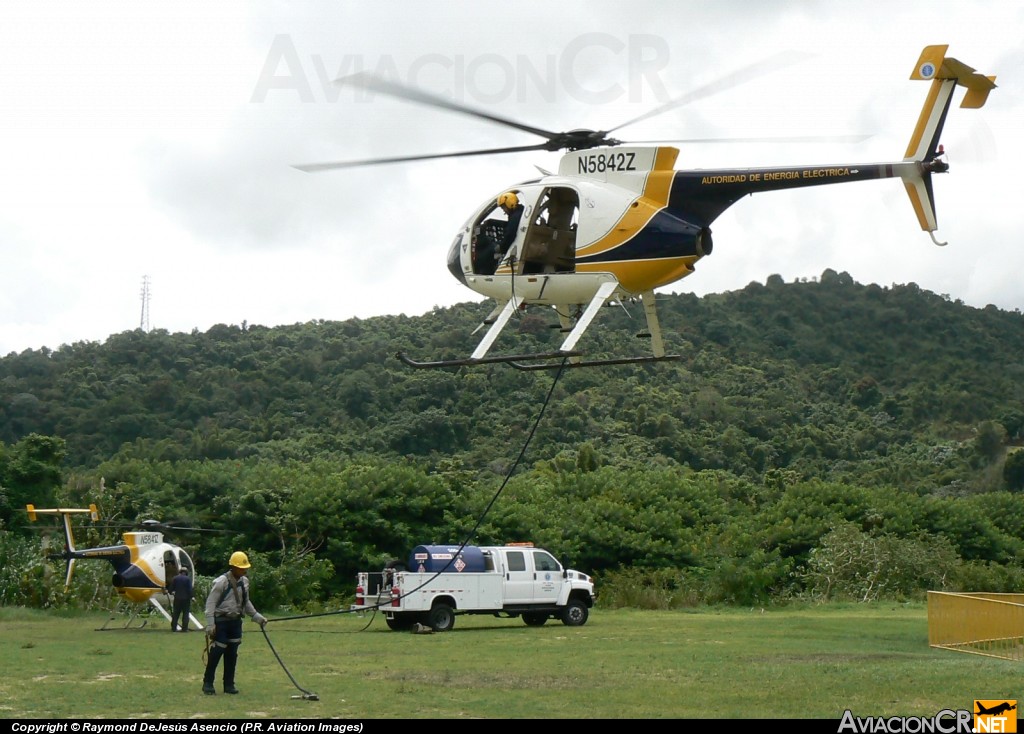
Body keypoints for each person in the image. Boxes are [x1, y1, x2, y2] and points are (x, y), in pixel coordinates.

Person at [202, 551, 267, 696]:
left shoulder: (245, 582)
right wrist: (210, 624)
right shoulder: (221, 582)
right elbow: (211, 603)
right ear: (233, 567)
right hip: (221, 621)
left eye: (245, 568)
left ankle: (229, 684)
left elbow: (246, 602)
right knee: (217, 652)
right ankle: (208, 682)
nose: (244, 570)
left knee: (232, 654)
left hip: (235, 621)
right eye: (241, 568)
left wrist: (257, 616)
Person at [496, 191, 524, 258]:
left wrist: (501, 247)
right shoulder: (521, 212)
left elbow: (510, 234)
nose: (503, 210)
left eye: (503, 207)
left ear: (509, 203)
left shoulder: (515, 216)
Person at [168, 567, 193, 632]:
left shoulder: (175, 578)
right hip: (186, 599)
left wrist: (171, 592)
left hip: (177, 598)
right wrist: (192, 597)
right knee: (185, 614)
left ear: (180, 572)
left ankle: (174, 628)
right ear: (186, 572)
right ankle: (184, 629)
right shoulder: (187, 579)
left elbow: (171, 588)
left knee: (176, 614)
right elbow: (189, 590)